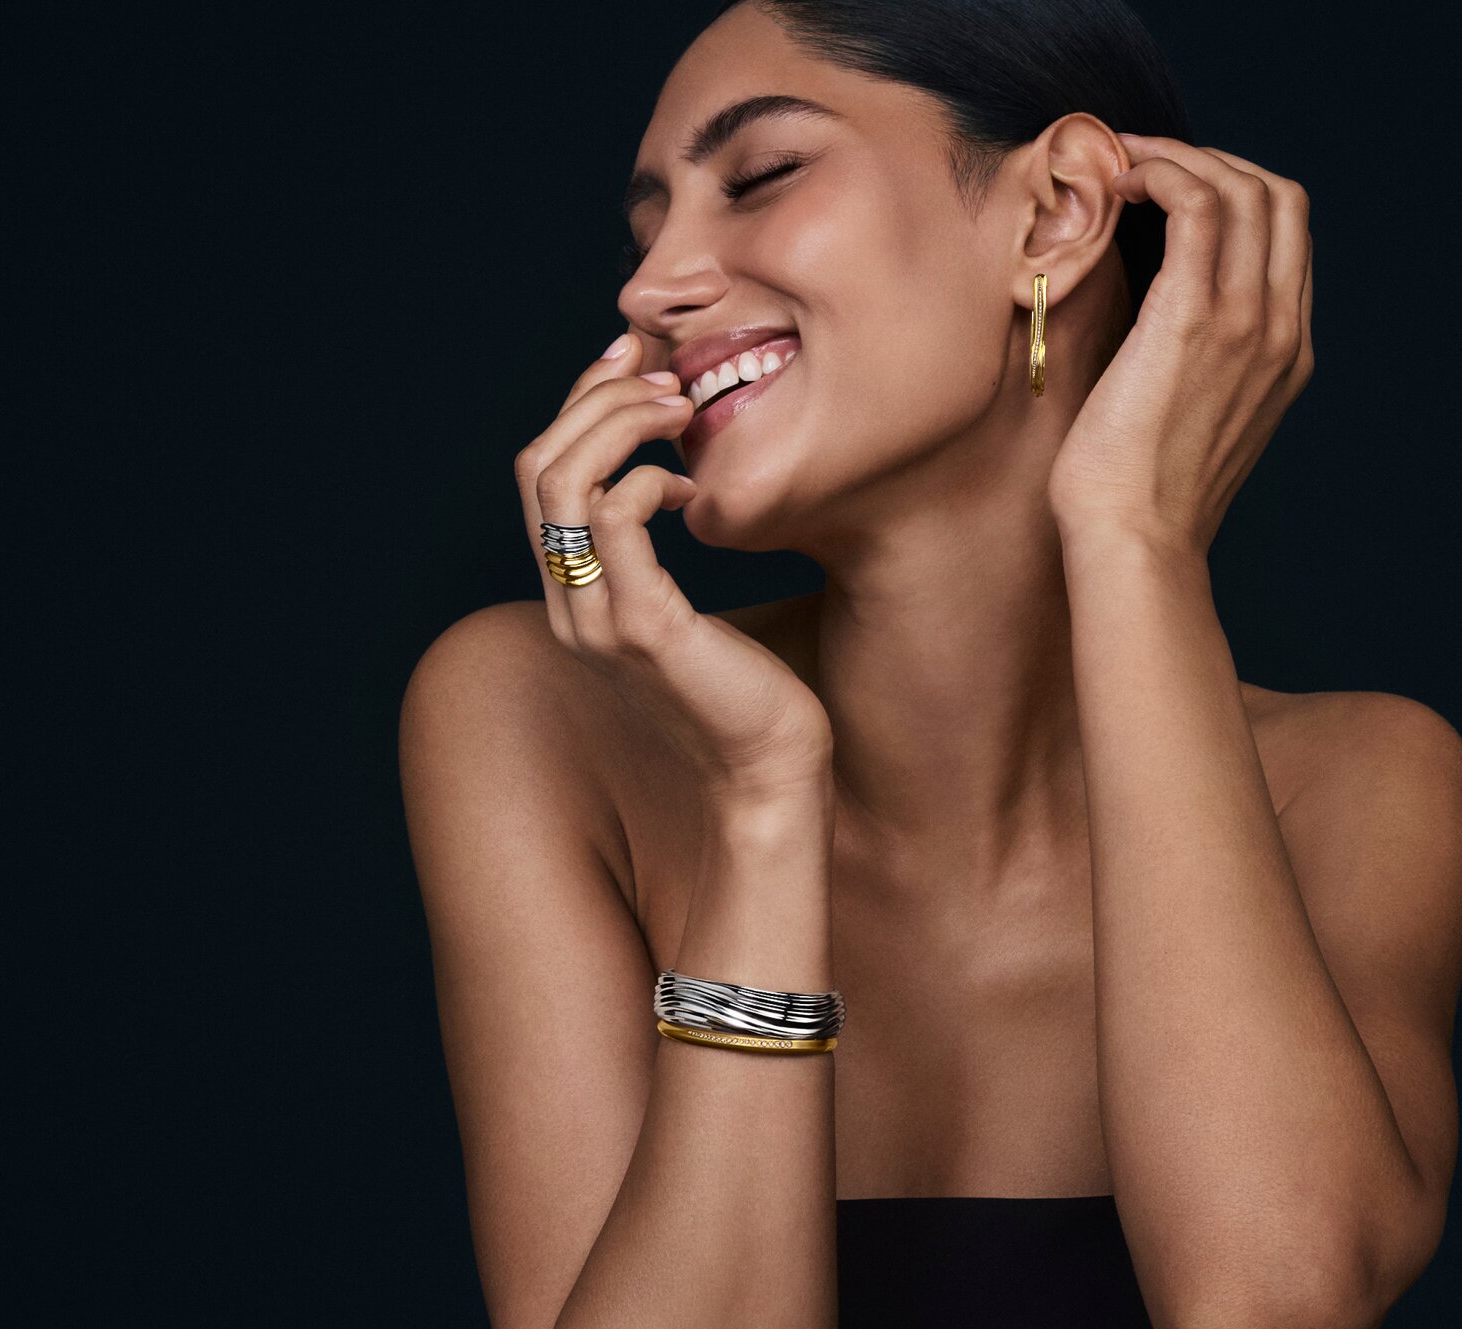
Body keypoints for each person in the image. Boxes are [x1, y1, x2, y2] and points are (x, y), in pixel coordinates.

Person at [396, 2, 1462, 1326]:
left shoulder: (1366, 785)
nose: (649, 286)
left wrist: (1134, 538)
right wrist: (768, 804)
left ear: (1057, 212)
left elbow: (1270, 1299)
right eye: (648, 221)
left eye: (762, 175)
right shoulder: (543, 718)